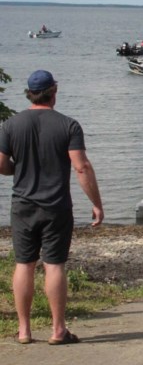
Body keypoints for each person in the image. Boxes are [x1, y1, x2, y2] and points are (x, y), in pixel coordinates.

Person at [0, 70, 104, 345]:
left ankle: (24, 330)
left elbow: (1, 164)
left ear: (29, 93)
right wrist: (96, 203)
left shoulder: (11, 125)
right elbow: (81, 167)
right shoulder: (69, 125)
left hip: (22, 205)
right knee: (54, 265)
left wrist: (17, 170)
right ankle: (58, 330)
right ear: (53, 92)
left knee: (24, 264)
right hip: (56, 206)